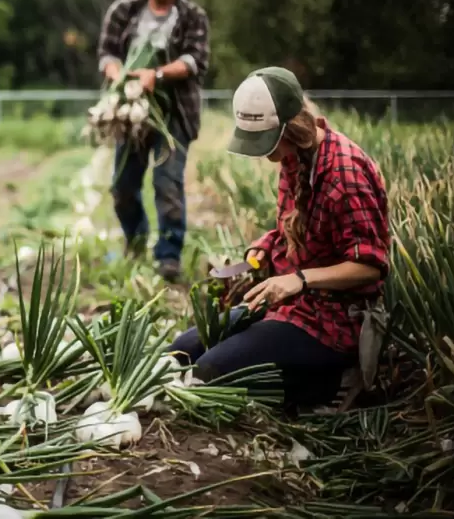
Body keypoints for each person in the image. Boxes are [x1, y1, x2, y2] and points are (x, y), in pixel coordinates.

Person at [167, 67, 390, 410]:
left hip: (334, 322)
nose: (262, 152)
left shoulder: (346, 174)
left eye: (266, 140)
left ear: (292, 126)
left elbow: (371, 266)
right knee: (181, 351)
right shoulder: (295, 157)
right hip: (291, 307)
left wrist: (298, 280)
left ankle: (335, 382)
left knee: (210, 373)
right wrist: (264, 246)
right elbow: (294, 225)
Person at [97, 0, 211, 280]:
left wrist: (156, 75)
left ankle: (169, 257)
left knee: (168, 185)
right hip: (131, 112)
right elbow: (106, 53)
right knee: (123, 187)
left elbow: (195, 60)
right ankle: (135, 241)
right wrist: (118, 74)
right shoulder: (124, 10)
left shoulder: (193, 17)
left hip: (174, 114)